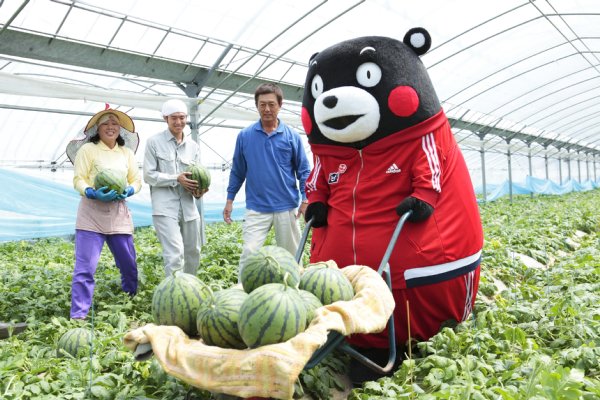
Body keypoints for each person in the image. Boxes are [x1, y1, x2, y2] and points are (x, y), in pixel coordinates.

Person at [223, 83, 311, 274]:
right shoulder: (245, 136)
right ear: (257, 106)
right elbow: (238, 171)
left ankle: (297, 294)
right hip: (256, 208)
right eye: (262, 104)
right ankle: (242, 296)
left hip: (286, 207)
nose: (267, 109)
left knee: (292, 257)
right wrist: (229, 200)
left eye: (271, 104)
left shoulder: (292, 137)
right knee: (249, 254)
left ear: (280, 105)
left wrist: (305, 199)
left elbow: (304, 171)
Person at [66, 108, 142, 320]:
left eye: (115, 124)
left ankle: (130, 300)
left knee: (128, 264)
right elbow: (78, 179)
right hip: (91, 214)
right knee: (85, 268)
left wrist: (130, 190)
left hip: (118, 213)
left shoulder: (126, 153)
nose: (111, 127)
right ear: (97, 129)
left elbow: (136, 180)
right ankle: (79, 315)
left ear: (121, 129)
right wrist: (91, 191)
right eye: (105, 124)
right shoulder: (88, 150)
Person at [143, 99, 207, 277]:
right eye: (174, 118)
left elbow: (197, 174)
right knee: (175, 254)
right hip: (165, 207)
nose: (179, 122)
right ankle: (174, 294)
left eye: (182, 118)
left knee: (194, 251)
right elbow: (148, 175)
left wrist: (199, 190)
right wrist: (176, 179)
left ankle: (189, 289)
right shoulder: (154, 142)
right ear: (165, 118)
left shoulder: (193, 146)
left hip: (188, 207)